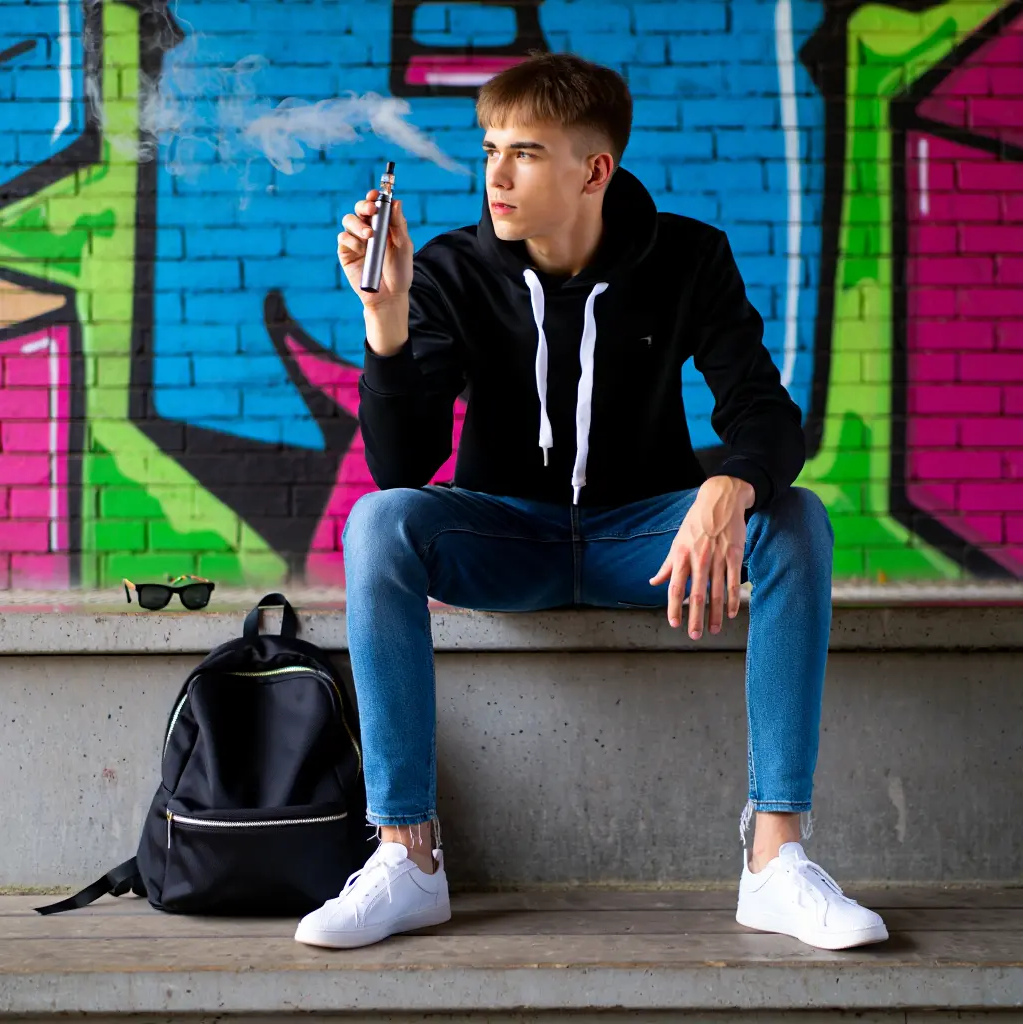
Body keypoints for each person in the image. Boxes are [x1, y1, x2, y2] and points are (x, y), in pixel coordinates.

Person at [294, 52, 888, 953]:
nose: (496, 175)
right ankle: (407, 856)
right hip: (506, 537)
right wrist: (387, 319)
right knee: (378, 523)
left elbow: (763, 413)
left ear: (594, 169)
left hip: (644, 542)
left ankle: (776, 859)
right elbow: (403, 466)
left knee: (796, 518)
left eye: (525, 153)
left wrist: (728, 486)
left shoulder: (689, 258)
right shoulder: (451, 269)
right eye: (490, 149)